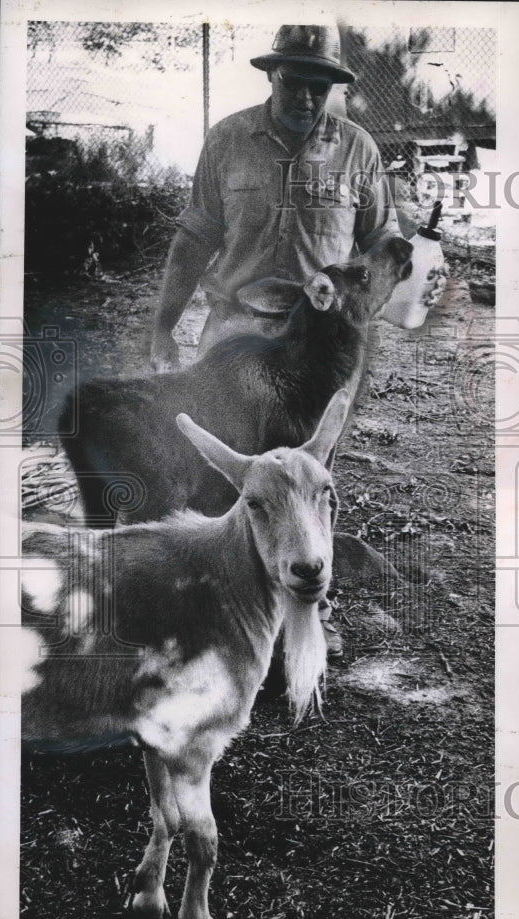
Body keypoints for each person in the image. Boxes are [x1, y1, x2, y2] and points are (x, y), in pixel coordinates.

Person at [151, 24, 445, 656]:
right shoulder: (229, 139)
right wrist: (162, 323)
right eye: (295, 83)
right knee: (224, 476)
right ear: (271, 75)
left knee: (307, 482)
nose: (307, 98)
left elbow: (380, 249)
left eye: (321, 86)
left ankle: (308, 612)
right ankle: (211, 612)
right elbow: (194, 235)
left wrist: (390, 288)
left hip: (318, 344)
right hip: (236, 333)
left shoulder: (358, 150)